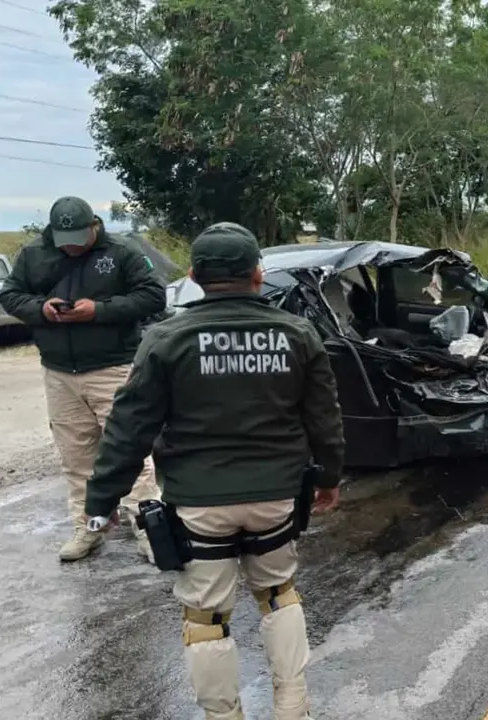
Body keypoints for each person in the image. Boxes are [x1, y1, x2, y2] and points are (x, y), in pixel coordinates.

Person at [83, 221, 345, 720]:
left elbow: (128, 428)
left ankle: (223, 715)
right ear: (257, 274)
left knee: (205, 617)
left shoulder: (166, 338)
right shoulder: (297, 333)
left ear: (194, 275)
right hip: (275, 497)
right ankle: (293, 706)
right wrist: (329, 477)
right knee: (277, 594)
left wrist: (100, 501)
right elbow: (324, 417)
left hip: (198, 503)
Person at [0, 195, 164, 562]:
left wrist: (98, 311)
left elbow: (154, 296)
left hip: (113, 368)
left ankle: (151, 530)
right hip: (58, 370)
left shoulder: (122, 252)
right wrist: (40, 309)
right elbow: (10, 295)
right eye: (63, 241)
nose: (70, 248)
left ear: (94, 227)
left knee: (131, 453)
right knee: (76, 456)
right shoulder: (33, 254)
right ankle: (88, 527)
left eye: (77, 239)